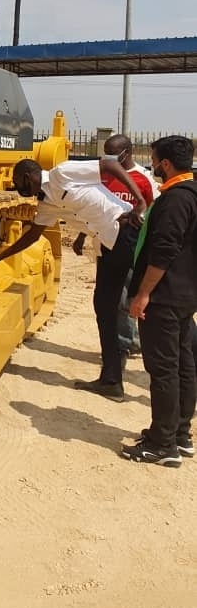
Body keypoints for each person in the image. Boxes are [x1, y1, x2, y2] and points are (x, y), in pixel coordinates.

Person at [0, 155, 147, 401]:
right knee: (104, 307)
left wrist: (140, 201)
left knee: (154, 301)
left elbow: (110, 164)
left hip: (126, 230)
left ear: (28, 178)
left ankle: (125, 375)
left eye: (18, 183)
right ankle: (112, 380)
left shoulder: (63, 173)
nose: (18, 189)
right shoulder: (46, 206)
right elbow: (33, 235)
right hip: (105, 244)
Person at [122, 136, 197, 467]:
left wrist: (143, 294)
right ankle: (178, 434)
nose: (152, 166)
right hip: (184, 293)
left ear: (165, 164)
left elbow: (164, 251)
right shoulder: (191, 195)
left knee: (164, 369)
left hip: (164, 297)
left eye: (154, 160)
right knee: (183, 364)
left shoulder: (174, 201)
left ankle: (163, 444)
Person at [72, 135, 159, 356]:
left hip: (131, 245)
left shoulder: (143, 178)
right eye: (106, 152)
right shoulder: (103, 177)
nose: (109, 158)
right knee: (114, 297)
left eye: (114, 153)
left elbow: (154, 211)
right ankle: (127, 341)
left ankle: (124, 344)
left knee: (124, 296)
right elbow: (94, 209)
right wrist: (82, 236)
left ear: (127, 152)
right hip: (105, 244)